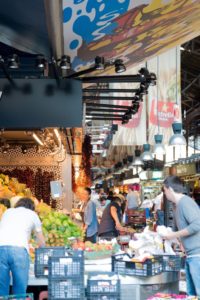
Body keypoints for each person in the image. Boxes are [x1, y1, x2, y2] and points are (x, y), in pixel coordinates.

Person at [163, 176, 200, 296]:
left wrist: (173, 235)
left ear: (170, 189)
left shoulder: (185, 202)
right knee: (192, 294)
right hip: (191, 256)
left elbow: (197, 224)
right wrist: (179, 241)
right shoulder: (177, 205)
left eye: (164, 190)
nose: (164, 193)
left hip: (197, 256)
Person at [0, 198, 45, 296]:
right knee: (19, 288)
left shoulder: (8, 212)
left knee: (1, 287)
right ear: (32, 207)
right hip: (19, 251)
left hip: (1, 249)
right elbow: (41, 240)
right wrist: (43, 249)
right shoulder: (33, 214)